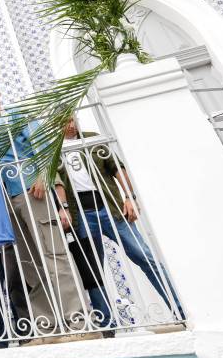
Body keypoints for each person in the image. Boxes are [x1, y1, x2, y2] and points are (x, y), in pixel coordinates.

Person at [0, 84, 90, 341]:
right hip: (6, 199)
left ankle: (77, 320)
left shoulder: (16, 115)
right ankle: (47, 326)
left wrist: (43, 176)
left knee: (54, 254)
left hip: (30, 189)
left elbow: (44, 146)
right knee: (29, 264)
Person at [55, 117, 182, 327]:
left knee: (144, 256)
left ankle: (177, 308)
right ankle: (107, 325)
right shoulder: (55, 151)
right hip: (81, 214)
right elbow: (56, 181)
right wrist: (64, 208)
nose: (69, 125)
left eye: (71, 119)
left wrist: (129, 196)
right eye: (64, 121)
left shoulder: (92, 139)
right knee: (92, 269)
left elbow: (116, 167)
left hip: (110, 208)